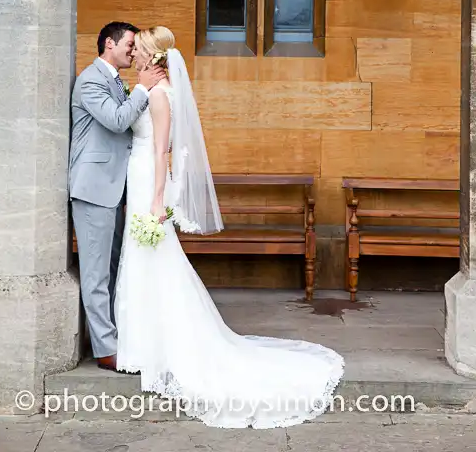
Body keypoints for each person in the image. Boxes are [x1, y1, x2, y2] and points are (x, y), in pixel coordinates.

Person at [114, 26, 344, 429]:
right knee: (142, 260)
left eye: (139, 50)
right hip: (137, 177)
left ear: (152, 56)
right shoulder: (150, 90)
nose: (133, 54)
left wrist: (156, 200)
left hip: (147, 182)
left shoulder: (159, 94)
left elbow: (161, 150)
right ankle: (139, 346)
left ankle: (152, 349)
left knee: (154, 261)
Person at [68, 21, 165, 372]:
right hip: (94, 188)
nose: (132, 49)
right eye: (128, 43)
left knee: (111, 267)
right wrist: (141, 89)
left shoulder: (116, 81)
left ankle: (114, 336)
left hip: (116, 189)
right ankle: (106, 350)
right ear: (109, 43)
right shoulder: (91, 80)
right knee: (95, 274)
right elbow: (115, 121)